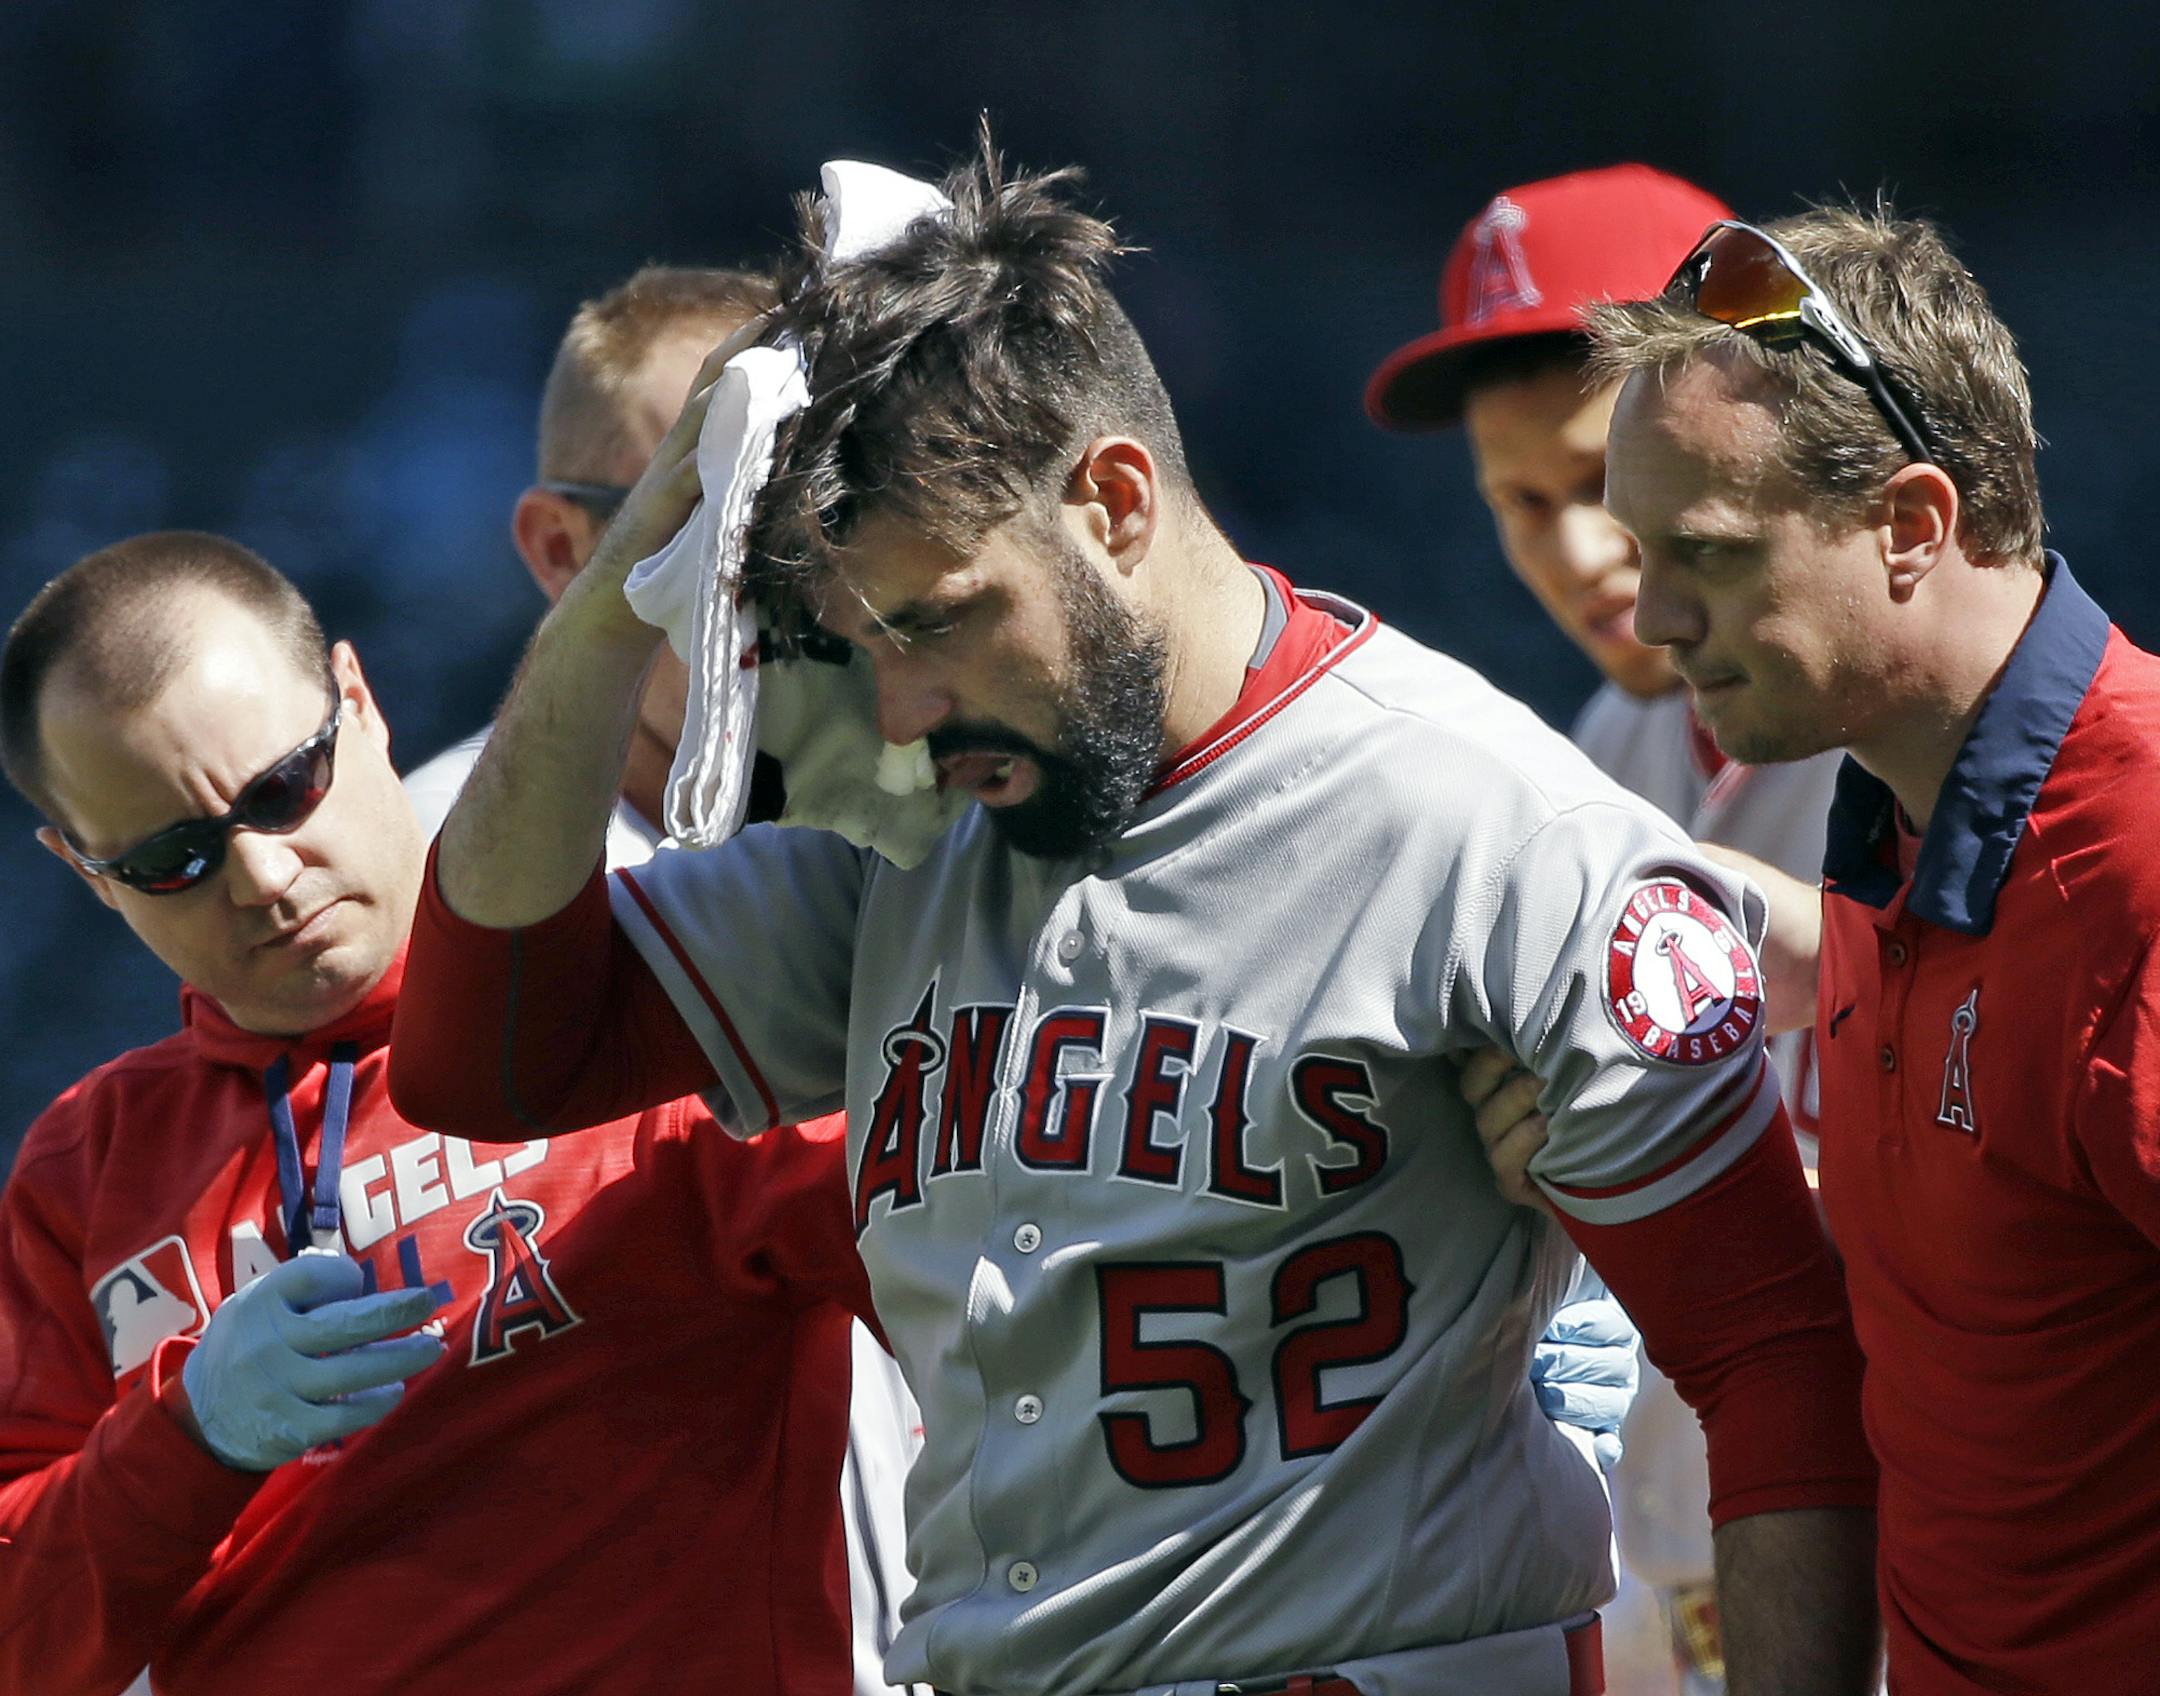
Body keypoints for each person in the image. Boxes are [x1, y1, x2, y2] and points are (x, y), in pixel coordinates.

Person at [391, 139, 1881, 1696]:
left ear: (1110, 503)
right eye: (868, 637)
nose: (898, 702)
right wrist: (639, 548)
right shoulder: (916, 825)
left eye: (944, 617)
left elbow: (1772, 1363)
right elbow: (485, 1057)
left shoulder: (1484, 819)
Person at [0, 531, 872, 1694]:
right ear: (85, 872)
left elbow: (1006, 1279)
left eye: (281, 787)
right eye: (173, 857)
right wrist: (188, 1433)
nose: (263, 875)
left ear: (358, 702)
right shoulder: (85, 1166)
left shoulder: (654, 1002)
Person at [1581, 206, 2160, 1691]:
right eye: (1642, 551)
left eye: (1704, 552)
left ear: (1911, 525)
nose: (1651, 615)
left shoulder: (2134, 868)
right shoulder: (1894, 833)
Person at [401, 263, 925, 1696]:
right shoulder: (418, 902)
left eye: (813, 508)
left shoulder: (935, 806)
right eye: (707, 517)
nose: (776, 575)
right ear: (567, 548)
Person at [1365, 164, 1848, 1696]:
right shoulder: (1597, 755)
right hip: (1679, 1592)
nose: (1576, 558)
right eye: (1522, 505)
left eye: (1598, 486)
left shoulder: (1907, 739)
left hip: (1925, 1574)